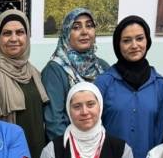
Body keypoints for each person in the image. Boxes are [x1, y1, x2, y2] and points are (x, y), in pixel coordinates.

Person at [95, 15, 163, 158]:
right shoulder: (104, 83)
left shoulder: (160, 85)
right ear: (118, 45)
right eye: (127, 40)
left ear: (147, 41)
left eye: (140, 38)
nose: (134, 45)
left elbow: (160, 133)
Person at [0, 9, 49, 158]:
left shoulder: (34, 73)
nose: (14, 38)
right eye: (7, 33)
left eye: (20, 32)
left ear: (27, 37)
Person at [41, 8, 111, 141]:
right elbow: (55, 123)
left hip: (102, 144)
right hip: (70, 147)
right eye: (76, 27)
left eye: (89, 26)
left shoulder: (102, 67)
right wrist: (73, 149)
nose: (84, 32)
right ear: (66, 32)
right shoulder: (55, 70)